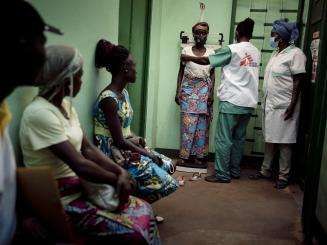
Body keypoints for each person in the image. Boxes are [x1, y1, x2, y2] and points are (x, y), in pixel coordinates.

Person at [20, 45, 160, 244]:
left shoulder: (65, 106)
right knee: (136, 232)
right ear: (64, 78)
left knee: (145, 210)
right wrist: (116, 178)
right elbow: (79, 163)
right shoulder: (39, 114)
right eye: (78, 76)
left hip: (82, 187)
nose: (81, 81)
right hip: (61, 197)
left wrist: (119, 172)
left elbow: (87, 148)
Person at [0, 1, 61, 244]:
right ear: (20, 44)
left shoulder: (3, 111)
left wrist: (20, 216)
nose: (45, 54)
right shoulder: (38, 112)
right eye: (42, 42)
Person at [93, 39, 178, 205]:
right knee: (168, 183)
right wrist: (148, 154)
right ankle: (134, 205)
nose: (135, 70)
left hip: (124, 145)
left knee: (168, 165)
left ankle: (137, 204)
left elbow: (125, 131)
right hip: (112, 153)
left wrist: (140, 142)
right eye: (133, 65)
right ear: (125, 67)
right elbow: (118, 141)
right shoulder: (108, 99)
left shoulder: (123, 93)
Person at [181, 18, 260, 183]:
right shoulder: (255, 51)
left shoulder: (232, 49)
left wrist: (187, 56)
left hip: (232, 101)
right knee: (239, 139)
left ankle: (222, 174)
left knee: (224, 139)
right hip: (249, 102)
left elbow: (206, 61)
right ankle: (234, 171)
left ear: (237, 32)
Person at [249, 19, 306, 189]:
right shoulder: (276, 53)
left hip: (285, 106)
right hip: (271, 105)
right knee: (270, 139)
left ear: (280, 37)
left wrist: (292, 105)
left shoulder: (296, 54)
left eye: (273, 34)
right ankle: (265, 170)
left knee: (285, 142)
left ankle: (283, 176)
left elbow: (298, 81)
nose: (271, 37)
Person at [175, 22, 215, 168]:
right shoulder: (186, 50)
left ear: (207, 34)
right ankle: (185, 156)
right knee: (187, 125)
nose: (200, 35)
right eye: (197, 32)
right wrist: (177, 91)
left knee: (201, 126)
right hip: (188, 90)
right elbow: (180, 72)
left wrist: (211, 93)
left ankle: (199, 156)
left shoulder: (211, 53)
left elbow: (212, 74)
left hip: (204, 91)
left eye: (204, 32)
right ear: (193, 34)